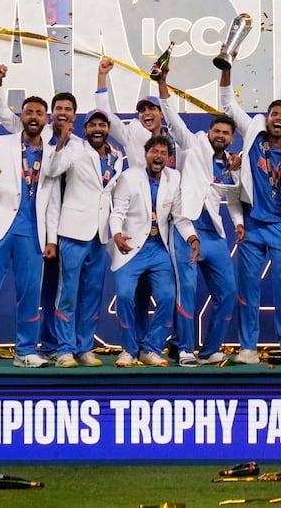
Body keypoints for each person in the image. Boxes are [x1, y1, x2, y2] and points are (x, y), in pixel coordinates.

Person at [0, 66, 84, 360]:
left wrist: (66, 142)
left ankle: (57, 346)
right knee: (40, 290)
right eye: (58, 109)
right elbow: (2, 112)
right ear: (49, 114)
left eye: (69, 109)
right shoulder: (28, 132)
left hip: (66, 228)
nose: (63, 113)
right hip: (32, 225)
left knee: (59, 293)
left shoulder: (77, 145)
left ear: (74, 115)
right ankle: (46, 346)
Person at [222, 65, 281, 364]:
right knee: (248, 287)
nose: (277, 118)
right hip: (252, 223)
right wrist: (226, 69)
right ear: (267, 118)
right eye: (273, 113)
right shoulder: (252, 134)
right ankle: (248, 348)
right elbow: (227, 103)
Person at [0, 95, 61, 369]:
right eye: (29, 112)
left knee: (30, 294)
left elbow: (52, 201)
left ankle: (26, 351)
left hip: (33, 233)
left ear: (46, 120)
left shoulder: (52, 154)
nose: (33, 117)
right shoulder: (1, 143)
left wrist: (51, 239)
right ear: (21, 117)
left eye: (39, 113)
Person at [158, 64, 240, 366]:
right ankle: (184, 348)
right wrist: (163, 83)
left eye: (226, 133)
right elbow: (170, 115)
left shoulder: (230, 163)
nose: (220, 136)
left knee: (228, 292)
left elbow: (230, 196)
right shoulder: (191, 145)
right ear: (209, 133)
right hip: (186, 231)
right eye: (217, 131)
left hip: (215, 236)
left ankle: (211, 349)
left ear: (232, 138)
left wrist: (239, 223)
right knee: (187, 293)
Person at [44, 106, 126, 367]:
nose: (98, 129)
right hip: (73, 231)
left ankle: (84, 348)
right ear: (86, 129)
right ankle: (65, 349)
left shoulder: (117, 155)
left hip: (100, 236)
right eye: (93, 125)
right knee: (67, 293)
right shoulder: (75, 149)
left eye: (102, 125)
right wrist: (61, 142)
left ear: (108, 129)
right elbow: (52, 170)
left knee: (92, 294)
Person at [109, 134, 193, 366]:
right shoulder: (129, 177)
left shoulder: (173, 178)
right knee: (125, 296)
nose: (158, 156)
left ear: (168, 158)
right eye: (154, 151)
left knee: (167, 297)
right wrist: (117, 234)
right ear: (146, 155)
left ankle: (151, 348)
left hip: (159, 249)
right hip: (130, 247)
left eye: (163, 153)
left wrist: (193, 238)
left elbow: (179, 217)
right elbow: (118, 212)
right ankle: (128, 349)